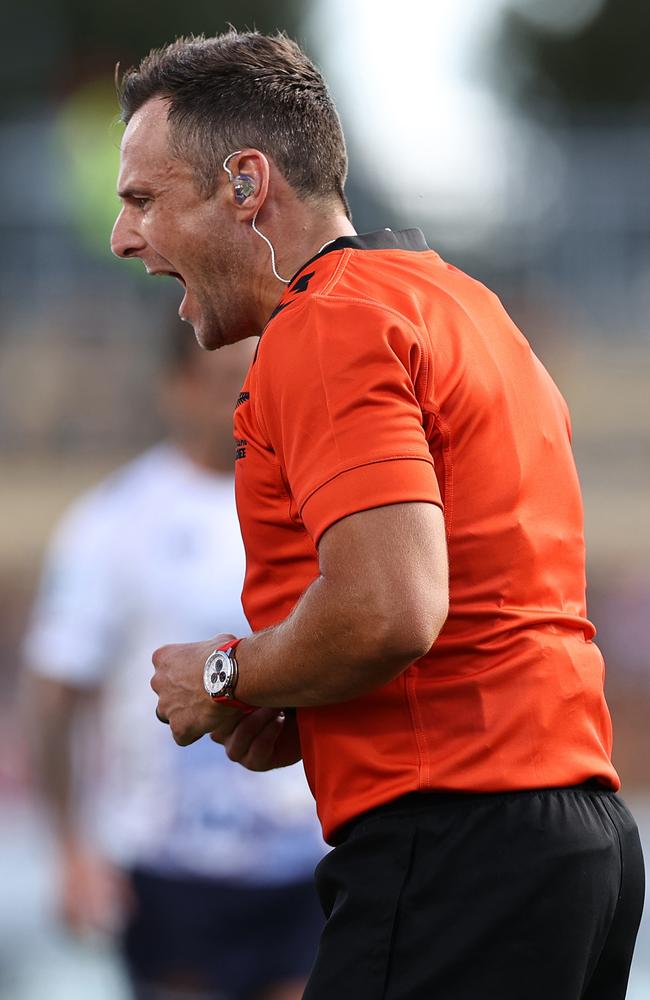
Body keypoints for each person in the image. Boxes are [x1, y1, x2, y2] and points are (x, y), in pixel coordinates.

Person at [109, 30, 645, 1000]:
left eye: (144, 199)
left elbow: (390, 608)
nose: (123, 236)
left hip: (456, 841)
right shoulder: (456, 302)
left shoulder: (324, 326)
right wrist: (300, 691)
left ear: (245, 185)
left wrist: (224, 672)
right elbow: (462, 603)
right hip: (574, 840)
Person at [23, 327, 326, 1000]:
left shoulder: (320, 512)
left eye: (261, 388)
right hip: (171, 865)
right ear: (178, 388)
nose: (247, 405)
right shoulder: (116, 521)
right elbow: (53, 691)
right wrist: (71, 847)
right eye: (227, 388)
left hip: (308, 858)